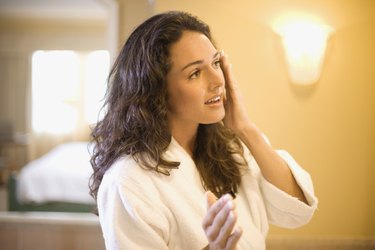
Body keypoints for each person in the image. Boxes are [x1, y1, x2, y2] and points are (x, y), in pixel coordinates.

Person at [89, 11, 318, 250]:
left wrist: (246, 129)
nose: (217, 80)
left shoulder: (233, 146)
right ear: (155, 91)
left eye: (216, 63)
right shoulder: (128, 180)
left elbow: (297, 210)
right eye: (195, 73)